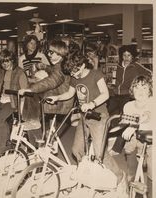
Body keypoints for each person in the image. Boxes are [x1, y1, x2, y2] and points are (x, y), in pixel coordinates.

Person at [46, 52, 126, 194]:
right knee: (76, 150)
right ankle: (86, 174)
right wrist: (57, 97)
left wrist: (92, 104)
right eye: (71, 72)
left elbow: (105, 94)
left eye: (75, 71)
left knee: (99, 153)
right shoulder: (74, 77)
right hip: (85, 117)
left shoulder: (96, 74)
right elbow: (70, 94)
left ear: (82, 65)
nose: (74, 75)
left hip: (99, 116)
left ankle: (119, 178)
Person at [114, 75, 152, 197]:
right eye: (136, 87)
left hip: (152, 141)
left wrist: (134, 125)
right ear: (132, 90)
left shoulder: (153, 102)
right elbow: (124, 124)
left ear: (150, 90)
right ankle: (134, 194)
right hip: (133, 141)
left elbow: (146, 115)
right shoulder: (128, 106)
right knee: (132, 171)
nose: (140, 91)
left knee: (153, 173)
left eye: (144, 88)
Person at [0, 49, 28, 149]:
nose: (5, 64)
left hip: (13, 102)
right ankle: (7, 142)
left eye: (7, 61)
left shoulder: (20, 72)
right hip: (2, 100)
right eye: (2, 62)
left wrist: (22, 108)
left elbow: (25, 90)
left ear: (12, 60)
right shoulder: (2, 72)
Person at [107, 44, 152, 115]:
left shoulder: (136, 66)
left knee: (125, 114)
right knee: (111, 113)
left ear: (132, 56)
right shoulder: (117, 66)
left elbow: (149, 73)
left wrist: (139, 82)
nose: (126, 58)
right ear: (122, 56)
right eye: (124, 55)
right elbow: (112, 78)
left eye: (129, 55)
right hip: (115, 94)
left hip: (127, 95)